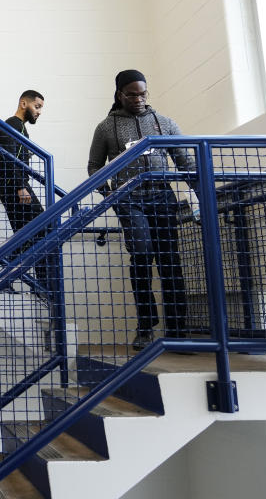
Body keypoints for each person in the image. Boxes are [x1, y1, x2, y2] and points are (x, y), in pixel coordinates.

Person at [87, 69, 195, 351]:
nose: (138, 99)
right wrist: (110, 194)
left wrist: (201, 189)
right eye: (132, 94)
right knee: (142, 256)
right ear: (119, 95)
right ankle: (146, 327)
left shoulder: (165, 123)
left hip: (162, 199)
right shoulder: (106, 128)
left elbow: (186, 161)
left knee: (170, 262)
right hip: (130, 201)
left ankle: (178, 330)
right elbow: (94, 167)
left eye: (142, 93)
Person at [0, 90, 50, 294]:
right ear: (23, 104)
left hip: (14, 186)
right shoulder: (13, 124)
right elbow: (10, 157)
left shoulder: (19, 127)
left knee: (26, 237)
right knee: (44, 228)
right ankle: (42, 286)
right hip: (14, 187)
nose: (39, 112)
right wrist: (20, 186)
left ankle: (8, 279)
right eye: (37, 106)